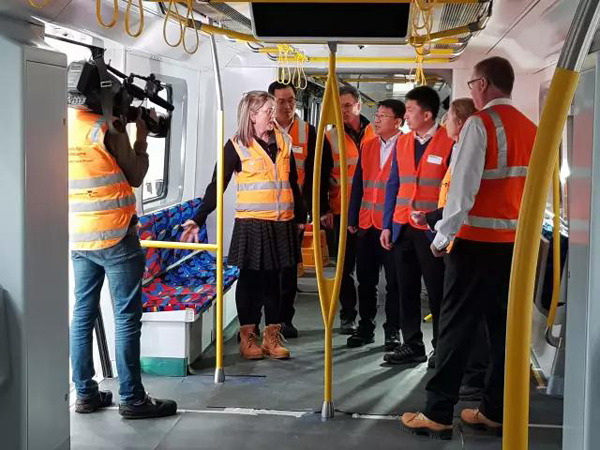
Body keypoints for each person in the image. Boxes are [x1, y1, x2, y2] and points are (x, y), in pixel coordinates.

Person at [400, 57, 537, 439]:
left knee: (455, 328)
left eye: (474, 83)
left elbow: (462, 192)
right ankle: (495, 410)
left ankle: (438, 412)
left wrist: (442, 238)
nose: (472, 90)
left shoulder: (481, 124)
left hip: (476, 244)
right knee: (503, 330)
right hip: (514, 249)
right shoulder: (531, 128)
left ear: (484, 84)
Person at [181, 91, 306, 360]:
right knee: (250, 280)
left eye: (274, 110)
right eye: (267, 111)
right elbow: (217, 185)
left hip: (282, 222)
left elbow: (293, 183)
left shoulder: (284, 140)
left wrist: (301, 217)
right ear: (251, 115)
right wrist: (198, 218)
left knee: (277, 281)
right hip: (252, 223)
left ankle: (272, 337)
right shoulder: (236, 146)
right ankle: (248, 335)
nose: (273, 116)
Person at [69, 107, 177, 419]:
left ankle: (85, 393)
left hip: (79, 235)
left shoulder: (68, 125)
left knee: (82, 315)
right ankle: (132, 398)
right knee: (126, 318)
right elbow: (137, 175)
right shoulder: (109, 129)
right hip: (116, 235)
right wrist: (141, 138)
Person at [412, 98, 490, 402]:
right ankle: (470, 376)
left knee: (468, 314)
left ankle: (471, 378)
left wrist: (439, 236)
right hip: (462, 236)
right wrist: (433, 217)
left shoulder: (463, 151)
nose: (445, 123)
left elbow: (461, 199)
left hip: (465, 239)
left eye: (449, 118)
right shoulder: (458, 149)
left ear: (462, 121)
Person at [380, 86, 454, 367]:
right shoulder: (403, 142)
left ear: (427, 114)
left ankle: (440, 347)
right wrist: (387, 224)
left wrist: (439, 222)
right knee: (403, 289)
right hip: (402, 226)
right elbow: (393, 184)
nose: (406, 116)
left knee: (437, 291)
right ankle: (412, 345)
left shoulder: (449, 142)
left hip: (433, 229)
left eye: (410, 111)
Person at [268, 81, 330, 339]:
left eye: (291, 100)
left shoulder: (309, 132)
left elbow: (321, 172)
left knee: (288, 267)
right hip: (264, 210)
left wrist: (318, 209)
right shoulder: (260, 130)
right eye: (281, 101)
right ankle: (265, 321)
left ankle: (285, 319)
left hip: (294, 212)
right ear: (271, 103)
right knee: (265, 270)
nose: (287, 106)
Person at [346, 99, 405, 350]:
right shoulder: (368, 146)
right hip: (367, 224)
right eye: (377, 115)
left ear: (398, 122)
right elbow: (358, 185)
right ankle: (365, 326)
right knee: (366, 280)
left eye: (383, 116)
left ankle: (393, 330)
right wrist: (351, 219)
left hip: (392, 227)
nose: (377, 120)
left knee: (394, 283)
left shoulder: (406, 146)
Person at [321, 85, 375, 335]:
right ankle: (348, 314)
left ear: (358, 106)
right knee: (343, 268)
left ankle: (367, 319)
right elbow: (320, 178)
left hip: (370, 214)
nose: (342, 111)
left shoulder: (376, 134)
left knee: (367, 271)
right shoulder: (329, 138)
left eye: (346, 105)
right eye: (338, 106)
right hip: (340, 211)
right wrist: (323, 210)